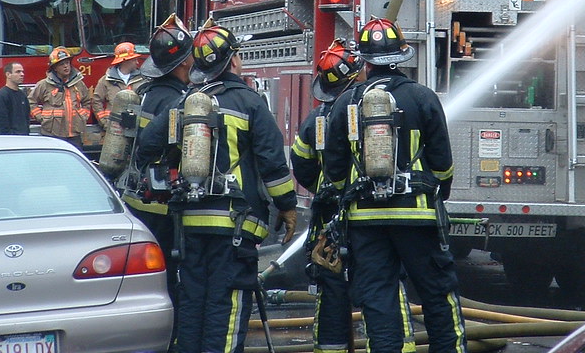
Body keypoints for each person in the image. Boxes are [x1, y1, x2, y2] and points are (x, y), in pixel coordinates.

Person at [137, 20, 297, 353]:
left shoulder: (185, 103)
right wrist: (288, 207)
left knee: (193, 301)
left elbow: (147, 147)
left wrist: (173, 165)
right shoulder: (250, 103)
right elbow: (272, 163)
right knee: (228, 303)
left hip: (191, 224)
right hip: (235, 226)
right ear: (234, 61)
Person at [324, 18, 465, 353]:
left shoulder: (346, 103)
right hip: (417, 216)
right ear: (402, 55)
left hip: (365, 222)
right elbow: (442, 163)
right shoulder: (422, 98)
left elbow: (335, 170)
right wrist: (437, 196)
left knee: (378, 300)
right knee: (437, 295)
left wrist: (348, 197)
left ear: (365, 60)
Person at [291, 39, 415, 353]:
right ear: (357, 74)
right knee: (384, 285)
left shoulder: (316, 121)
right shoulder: (371, 108)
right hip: (366, 214)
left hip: (328, 219)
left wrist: (325, 189)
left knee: (332, 289)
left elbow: (301, 165)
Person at [122, 14, 196, 307]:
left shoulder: (151, 92)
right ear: (182, 64)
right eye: (191, 58)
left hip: (141, 198)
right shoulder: (174, 100)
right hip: (162, 203)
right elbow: (156, 146)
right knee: (168, 278)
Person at [28, 46, 91, 148]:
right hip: (52, 134)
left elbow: (87, 101)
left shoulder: (79, 84)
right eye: (62, 64)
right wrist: (40, 117)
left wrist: (83, 116)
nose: (66, 66)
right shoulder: (44, 84)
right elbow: (31, 101)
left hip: (74, 135)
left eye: (67, 63)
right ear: (55, 68)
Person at [92, 41, 146, 132]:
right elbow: (96, 101)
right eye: (134, 59)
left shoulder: (142, 79)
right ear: (125, 61)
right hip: (114, 130)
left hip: (137, 128)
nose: (137, 62)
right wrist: (105, 123)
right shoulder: (106, 80)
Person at [0, 62, 30, 135]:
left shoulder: (22, 96)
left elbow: (26, 120)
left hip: (23, 140)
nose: (22, 74)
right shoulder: (1, 96)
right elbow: (0, 125)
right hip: (8, 141)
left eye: (22, 72)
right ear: (8, 75)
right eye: (18, 72)